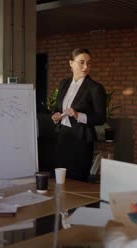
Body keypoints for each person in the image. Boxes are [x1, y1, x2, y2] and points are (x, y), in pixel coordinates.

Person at [51, 48, 106, 182]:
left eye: (89, 63)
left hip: (81, 139)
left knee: (77, 180)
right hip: (63, 137)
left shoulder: (95, 88)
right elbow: (57, 107)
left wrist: (78, 115)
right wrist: (55, 115)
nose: (86, 67)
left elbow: (101, 117)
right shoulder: (64, 83)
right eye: (81, 62)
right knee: (60, 179)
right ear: (71, 63)